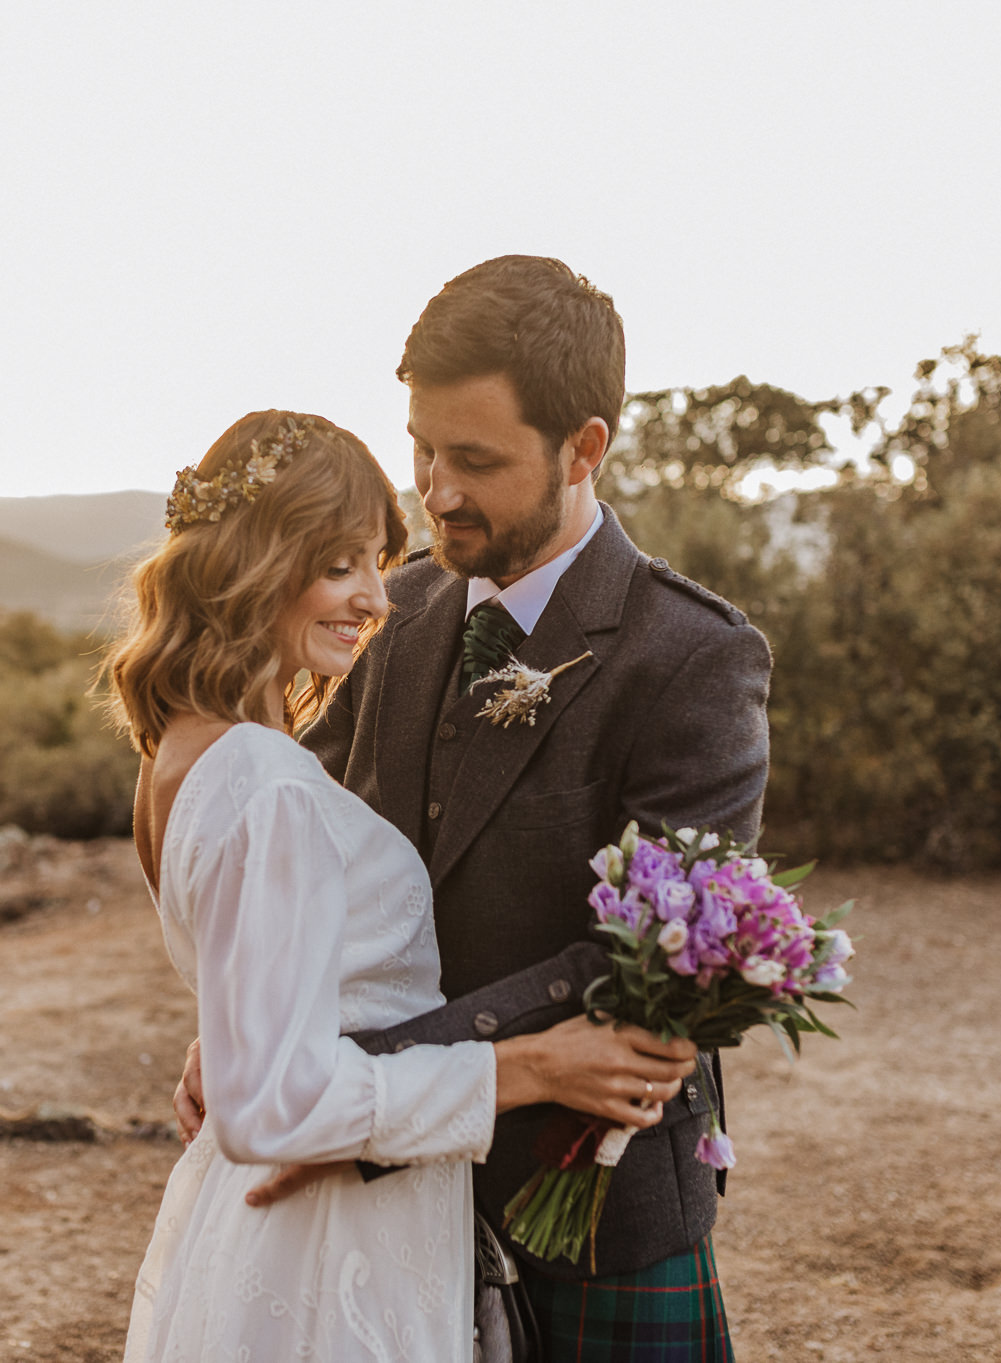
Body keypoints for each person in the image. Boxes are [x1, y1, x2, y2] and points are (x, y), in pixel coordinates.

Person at [178, 258, 773, 1359]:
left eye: (475, 460)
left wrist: (361, 1084)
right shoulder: (389, 609)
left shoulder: (691, 655)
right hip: (381, 1205)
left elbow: (639, 960)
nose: (434, 491)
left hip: (588, 1198)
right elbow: (294, 841)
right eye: (421, 450)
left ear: (581, 450)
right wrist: (252, 1018)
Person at [109, 409, 699, 1362]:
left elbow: (269, 985)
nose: (375, 599)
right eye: (339, 565)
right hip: (327, 1232)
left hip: (276, 1221)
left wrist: (247, 1022)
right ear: (256, 561)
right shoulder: (268, 784)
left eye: (375, 563)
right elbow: (276, 1110)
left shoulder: (181, 752)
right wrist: (537, 1065)